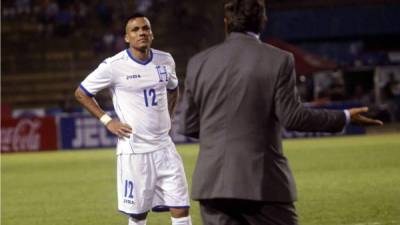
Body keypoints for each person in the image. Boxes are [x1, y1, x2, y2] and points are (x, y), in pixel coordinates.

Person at [178, 1, 383, 225]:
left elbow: (188, 126)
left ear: (226, 24)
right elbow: (293, 117)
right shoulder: (278, 59)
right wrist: (343, 116)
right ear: (263, 22)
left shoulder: (199, 62)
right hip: (261, 182)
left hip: (211, 185)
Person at [75, 13, 192, 225]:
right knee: (138, 214)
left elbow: (173, 89)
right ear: (126, 37)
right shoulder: (113, 66)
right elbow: (81, 93)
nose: (142, 33)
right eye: (135, 30)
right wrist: (107, 121)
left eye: (145, 28)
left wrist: (168, 117)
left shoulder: (165, 60)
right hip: (134, 150)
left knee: (181, 208)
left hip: (165, 147)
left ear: (152, 34)